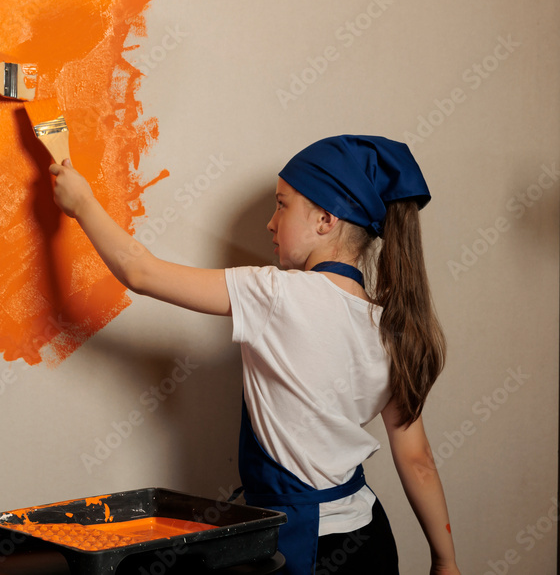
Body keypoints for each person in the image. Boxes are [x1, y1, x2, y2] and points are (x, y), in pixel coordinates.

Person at [50, 135, 460, 575]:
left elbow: (141, 271)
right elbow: (417, 460)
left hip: (301, 546)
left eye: (282, 205)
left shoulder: (275, 293)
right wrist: (445, 560)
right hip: (369, 542)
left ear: (325, 219)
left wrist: (82, 204)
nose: (270, 223)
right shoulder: (391, 327)